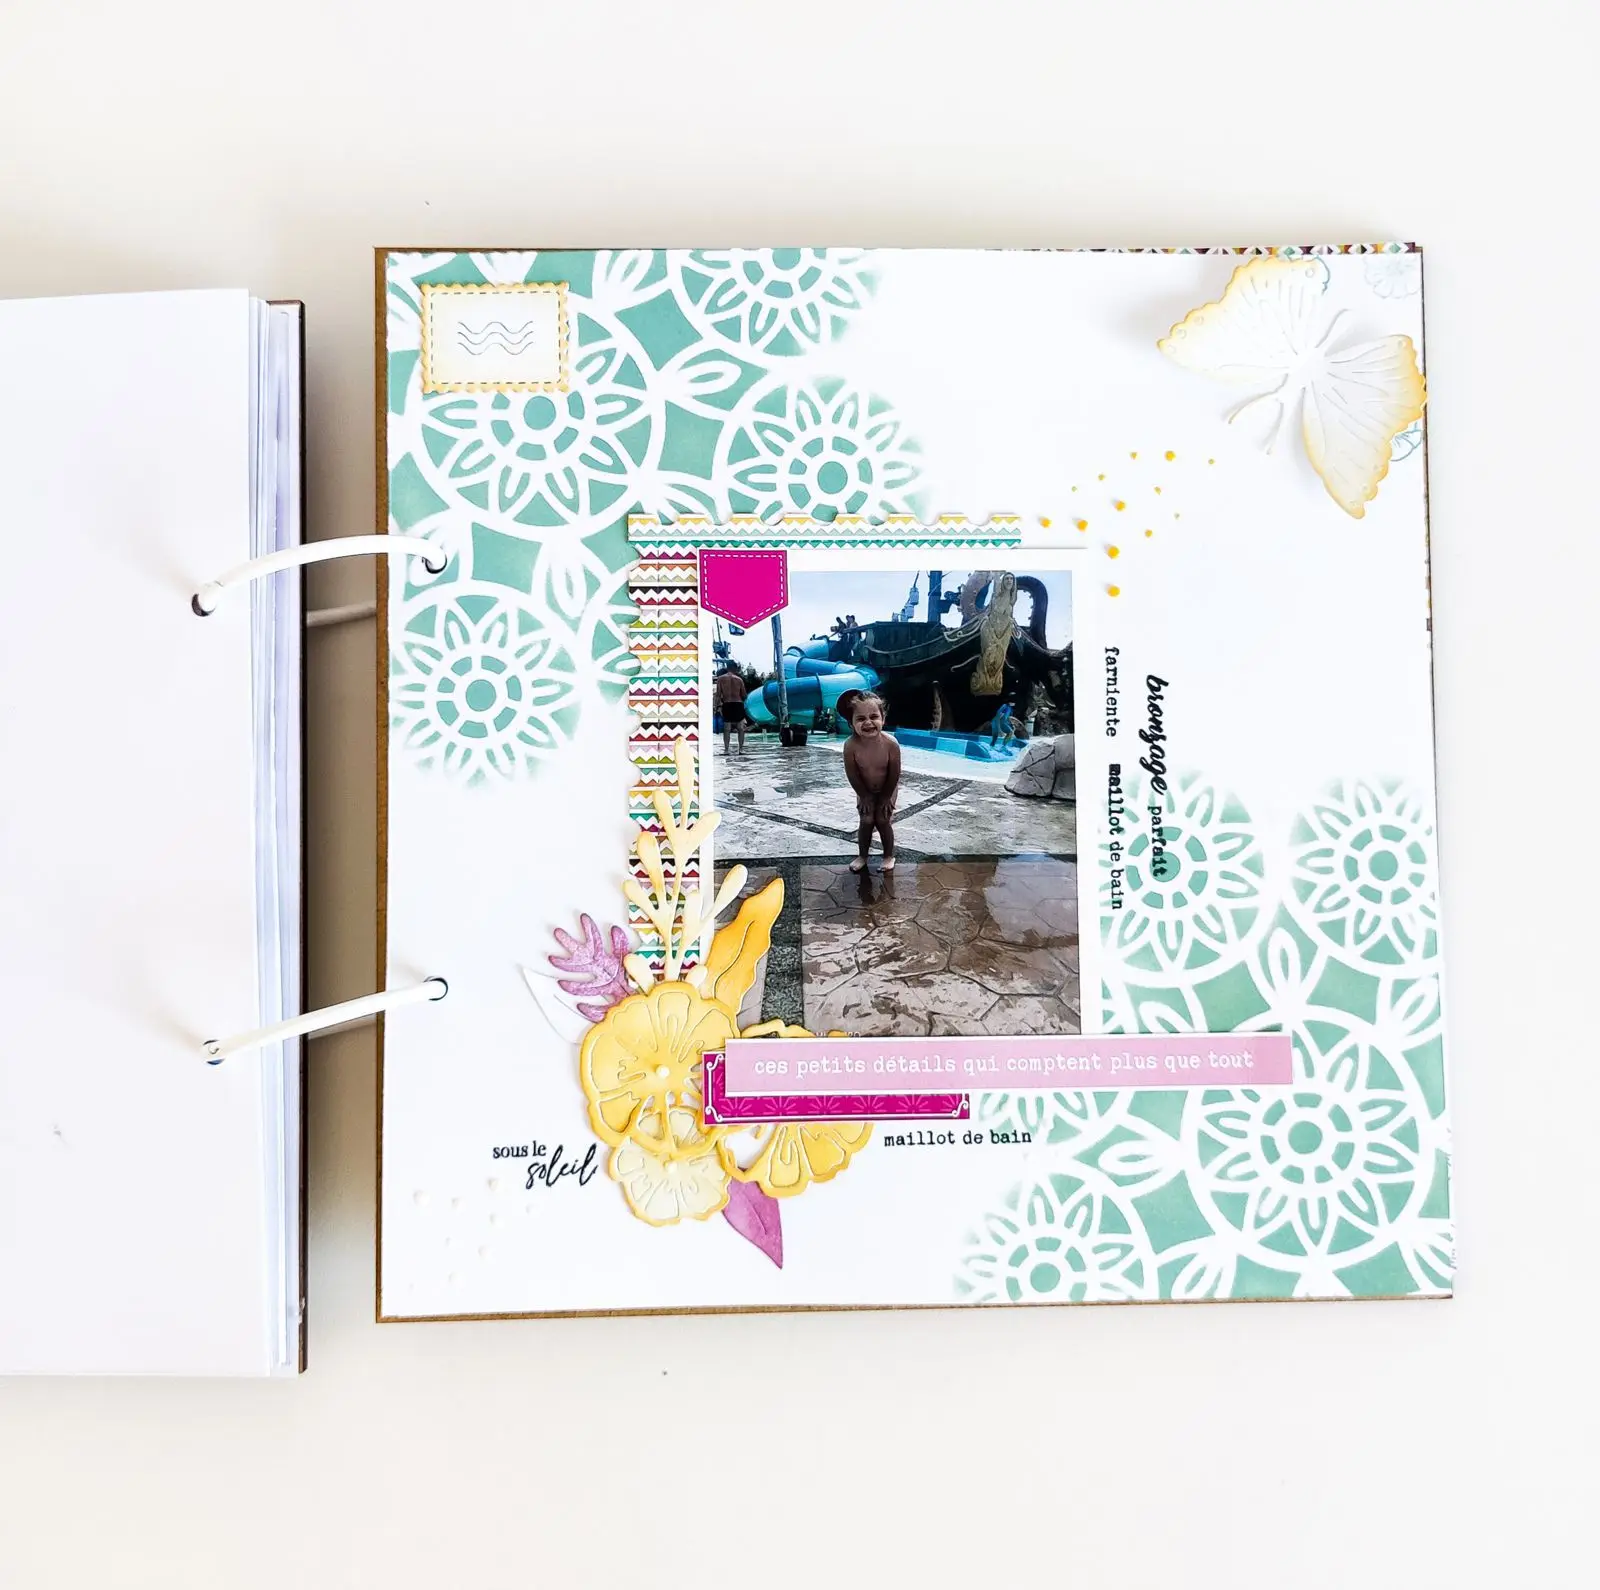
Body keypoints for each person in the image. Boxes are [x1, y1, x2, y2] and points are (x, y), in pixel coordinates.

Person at [842, 692, 900, 873]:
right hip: (864, 789)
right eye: (860, 719)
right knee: (866, 820)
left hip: (888, 788)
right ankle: (862, 856)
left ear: (883, 718)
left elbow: (894, 773)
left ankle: (888, 856)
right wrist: (864, 796)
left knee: (883, 819)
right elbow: (852, 774)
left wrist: (886, 797)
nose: (868, 722)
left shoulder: (891, 744)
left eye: (874, 717)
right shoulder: (850, 746)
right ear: (851, 723)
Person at [714, 667, 749, 754]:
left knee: (727, 728)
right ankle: (741, 749)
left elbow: (718, 694)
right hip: (738, 704)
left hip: (727, 704)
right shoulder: (739, 679)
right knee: (740, 728)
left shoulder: (720, 679)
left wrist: (716, 707)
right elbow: (744, 695)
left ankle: (726, 750)